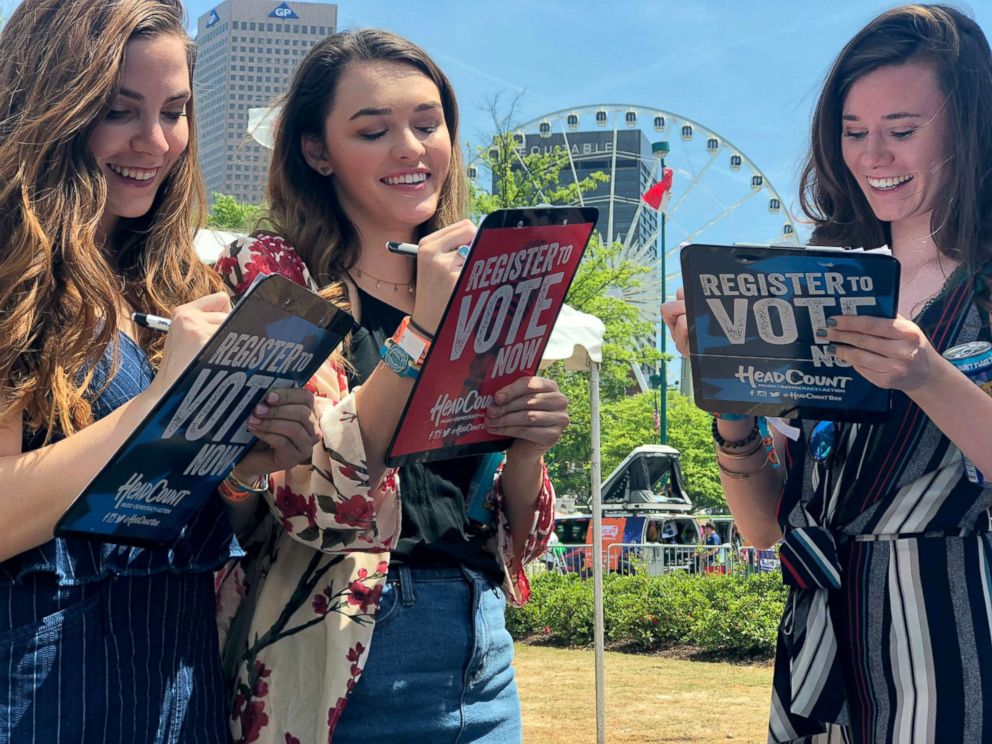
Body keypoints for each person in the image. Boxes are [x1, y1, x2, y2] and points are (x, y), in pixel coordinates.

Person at [214, 28, 566, 743]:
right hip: (340, 647)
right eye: (374, 130)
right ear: (318, 153)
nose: (411, 147)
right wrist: (421, 333)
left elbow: (517, 540)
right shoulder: (279, 276)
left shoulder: (484, 281)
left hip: (481, 642)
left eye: (428, 124)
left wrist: (528, 447)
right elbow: (320, 501)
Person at [664, 5, 992, 742]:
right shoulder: (810, 284)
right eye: (853, 132)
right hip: (820, 644)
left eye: (902, 130)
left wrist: (928, 376)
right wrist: (729, 405)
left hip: (958, 642)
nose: (874, 155)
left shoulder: (983, 287)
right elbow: (761, 528)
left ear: (969, 129)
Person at [0, 1, 319, 741]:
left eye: (175, 111)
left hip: (177, 682)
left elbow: (175, 513)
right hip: (42, 695)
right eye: (120, 110)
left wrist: (241, 462)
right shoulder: (12, 273)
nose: (155, 141)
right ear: (50, 106)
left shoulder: (173, 281)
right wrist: (164, 403)